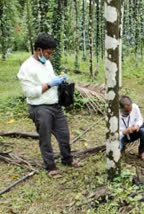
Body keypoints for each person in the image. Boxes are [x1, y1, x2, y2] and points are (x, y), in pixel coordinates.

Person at [17, 33, 78, 177]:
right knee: (45, 139)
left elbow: (51, 79)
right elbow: (29, 92)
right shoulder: (26, 68)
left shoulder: (47, 63)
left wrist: (59, 80)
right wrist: (50, 84)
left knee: (64, 135)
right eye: (48, 53)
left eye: (52, 53)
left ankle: (67, 159)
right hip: (40, 108)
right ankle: (50, 167)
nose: (50, 56)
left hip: (55, 105)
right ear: (39, 50)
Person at [119, 96, 144, 162]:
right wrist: (124, 132)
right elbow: (112, 135)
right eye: (127, 111)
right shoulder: (115, 115)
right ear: (121, 108)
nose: (130, 112)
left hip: (133, 133)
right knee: (116, 153)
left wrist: (137, 125)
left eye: (131, 110)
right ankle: (121, 150)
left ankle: (141, 153)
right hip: (122, 137)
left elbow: (140, 119)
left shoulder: (135, 107)